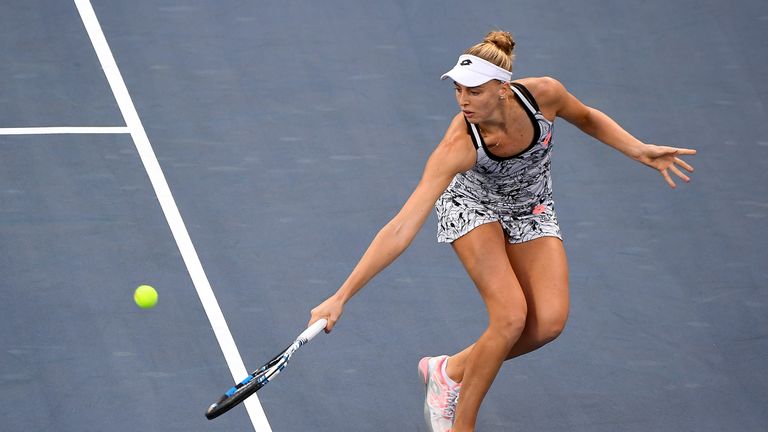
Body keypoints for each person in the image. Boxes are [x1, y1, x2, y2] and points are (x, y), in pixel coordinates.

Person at [308, 30, 696, 432]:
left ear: (503, 89)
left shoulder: (545, 94)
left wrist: (639, 149)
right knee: (510, 317)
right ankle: (461, 424)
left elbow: (587, 118)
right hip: (473, 206)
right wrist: (342, 295)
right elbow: (403, 225)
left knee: (547, 324)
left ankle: (449, 371)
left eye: (474, 91)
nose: (463, 100)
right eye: (458, 89)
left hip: (531, 207)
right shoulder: (458, 144)